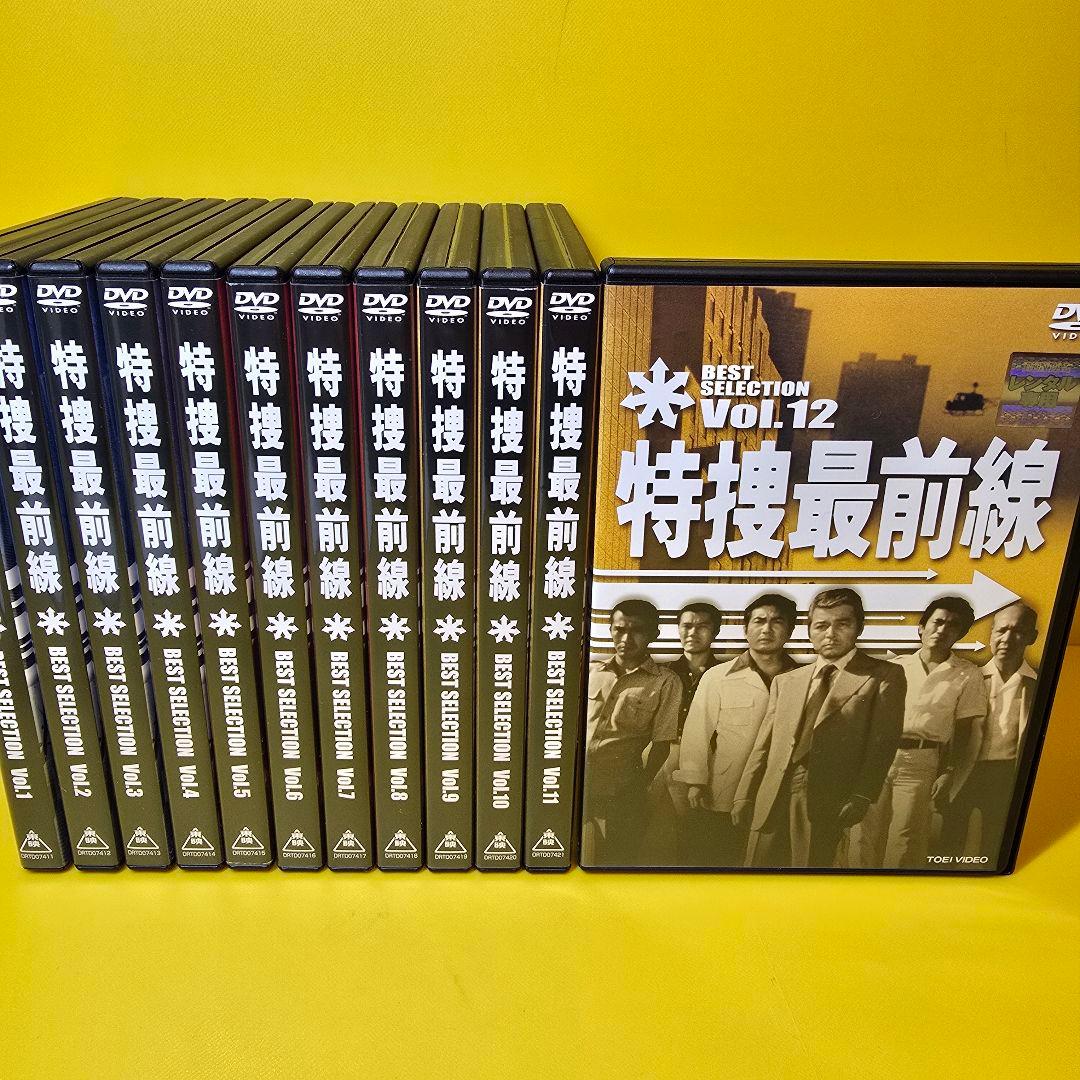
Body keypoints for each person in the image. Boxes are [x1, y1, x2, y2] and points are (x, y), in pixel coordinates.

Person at [732, 587, 905, 868]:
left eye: (843, 624)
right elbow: (764, 745)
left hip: (828, 797)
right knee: (757, 870)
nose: (831, 634)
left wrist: (862, 795)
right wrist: (743, 795)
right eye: (821, 626)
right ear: (809, 630)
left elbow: (883, 742)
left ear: (859, 627)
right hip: (771, 793)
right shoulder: (786, 680)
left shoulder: (883, 675)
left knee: (809, 869)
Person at [848, 597, 988, 869]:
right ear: (921, 627)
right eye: (938, 622)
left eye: (952, 625)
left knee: (904, 838)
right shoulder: (895, 667)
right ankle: (857, 890)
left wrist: (949, 771)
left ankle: (894, 893)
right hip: (878, 757)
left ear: (960, 634)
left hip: (921, 763)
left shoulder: (967, 674)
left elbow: (964, 729)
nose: (942, 630)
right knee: (863, 833)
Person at [674, 593, 800, 865]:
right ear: (746, 629)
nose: (767, 629)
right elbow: (697, 730)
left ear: (790, 630)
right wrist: (696, 781)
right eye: (759, 621)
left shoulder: (801, 678)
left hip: (780, 788)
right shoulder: (718, 676)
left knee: (770, 862)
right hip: (724, 787)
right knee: (721, 858)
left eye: (777, 622)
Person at [581, 598, 681, 867]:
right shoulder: (590, 671)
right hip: (576, 783)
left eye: (636, 630)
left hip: (622, 791)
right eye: (619, 629)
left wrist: (638, 785)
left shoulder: (665, 681)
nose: (625, 638)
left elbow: (662, 743)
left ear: (653, 634)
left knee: (615, 861)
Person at [938, 601, 1039, 864]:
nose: (1007, 639)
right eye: (1001, 630)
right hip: (964, 769)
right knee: (948, 841)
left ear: (1032, 637)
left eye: (1018, 631)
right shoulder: (967, 677)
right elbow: (946, 729)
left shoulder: (1038, 684)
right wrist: (945, 771)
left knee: (996, 845)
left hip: (1007, 774)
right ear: (991, 634)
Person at [638, 603, 724, 865]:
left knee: (696, 825)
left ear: (716, 631)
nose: (693, 632)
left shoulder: (725, 674)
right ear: (677, 629)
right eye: (687, 625)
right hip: (661, 751)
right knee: (652, 824)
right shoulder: (662, 673)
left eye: (702, 626)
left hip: (706, 758)